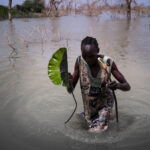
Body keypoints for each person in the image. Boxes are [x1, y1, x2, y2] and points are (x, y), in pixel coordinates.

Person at [68, 36, 130, 132]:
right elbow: (70, 90)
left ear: (98, 50)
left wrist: (117, 85)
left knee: (96, 131)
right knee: (84, 124)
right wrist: (68, 82)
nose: (88, 60)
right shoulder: (79, 62)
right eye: (85, 56)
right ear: (81, 52)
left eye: (91, 56)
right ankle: (89, 116)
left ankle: (104, 116)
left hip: (105, 104)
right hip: (89, 106)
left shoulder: (108, 63)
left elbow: (127, 86)